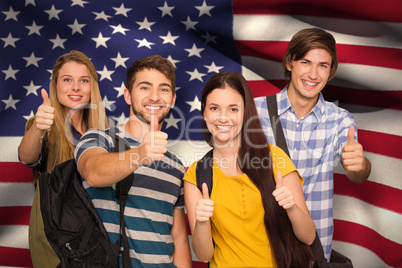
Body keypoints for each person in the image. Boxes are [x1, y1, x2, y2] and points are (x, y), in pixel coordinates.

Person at [254, 28, 372, 261]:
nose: (313, 74)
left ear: (331, 71)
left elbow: (358, 173)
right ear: (290, 63)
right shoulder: (254, 112)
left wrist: (359, 165)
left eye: (323, 65)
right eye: (305, 62)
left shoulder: (339, 120)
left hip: (312, 251)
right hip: (258, 245)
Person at [184, 72, 316, 268]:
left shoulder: (275, 158)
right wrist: (202, 223)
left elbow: (308, 237)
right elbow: (204, 255)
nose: (223, 117)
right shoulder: (197, 174)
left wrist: (291, 207)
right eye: (214, 108)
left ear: (246, 112)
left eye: (233, 109)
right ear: (204, 112)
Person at [74, 55, 192, 267]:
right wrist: (141, 153)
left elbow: (180, 239)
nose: (154, 97)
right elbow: (92, 172)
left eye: (164, 89)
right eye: (145, 88)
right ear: (128, 95)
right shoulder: (99, 139)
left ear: (173, 100)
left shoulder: (175, 167)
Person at [18, 49, 109, 183]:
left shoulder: (106, 128)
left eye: (84, 80)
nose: (75, 87)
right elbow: (27, 158)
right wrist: (38, 128)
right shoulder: (43, 124)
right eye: (67, 79)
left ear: (92, 87)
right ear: (55, 85)